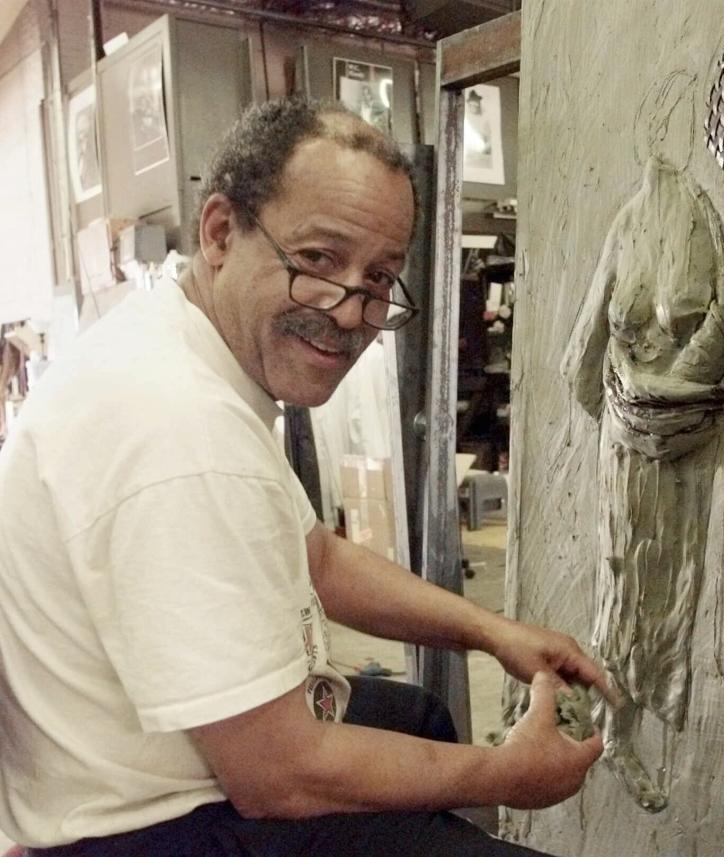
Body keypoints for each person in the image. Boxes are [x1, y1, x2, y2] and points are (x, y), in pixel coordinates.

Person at [0, 98, 609, 856]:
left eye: (378, 276)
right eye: (317, 260)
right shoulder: (179, 428)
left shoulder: (184, 352)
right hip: (146, 827)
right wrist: (506, 773)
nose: (350, 310)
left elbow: (314, 556)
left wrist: (490, 630)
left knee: (415, 715)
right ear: (221, 232)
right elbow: (279, 775)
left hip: (177, 762)